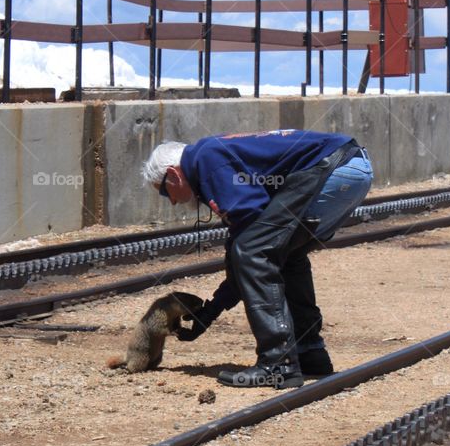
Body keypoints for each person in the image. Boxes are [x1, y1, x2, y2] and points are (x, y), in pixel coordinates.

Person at [143, 129, 373, 388]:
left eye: (165, 192)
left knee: (253, 250)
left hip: (330, 170)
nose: (172, 202)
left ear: (173, 174)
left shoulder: (205, 159)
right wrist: (210, 312)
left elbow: (249, 248)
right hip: (353, 166)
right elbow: (253, 243)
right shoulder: (212, 157)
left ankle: (279, 364)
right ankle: (310, 353)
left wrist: (211, 311)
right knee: (286, 254)